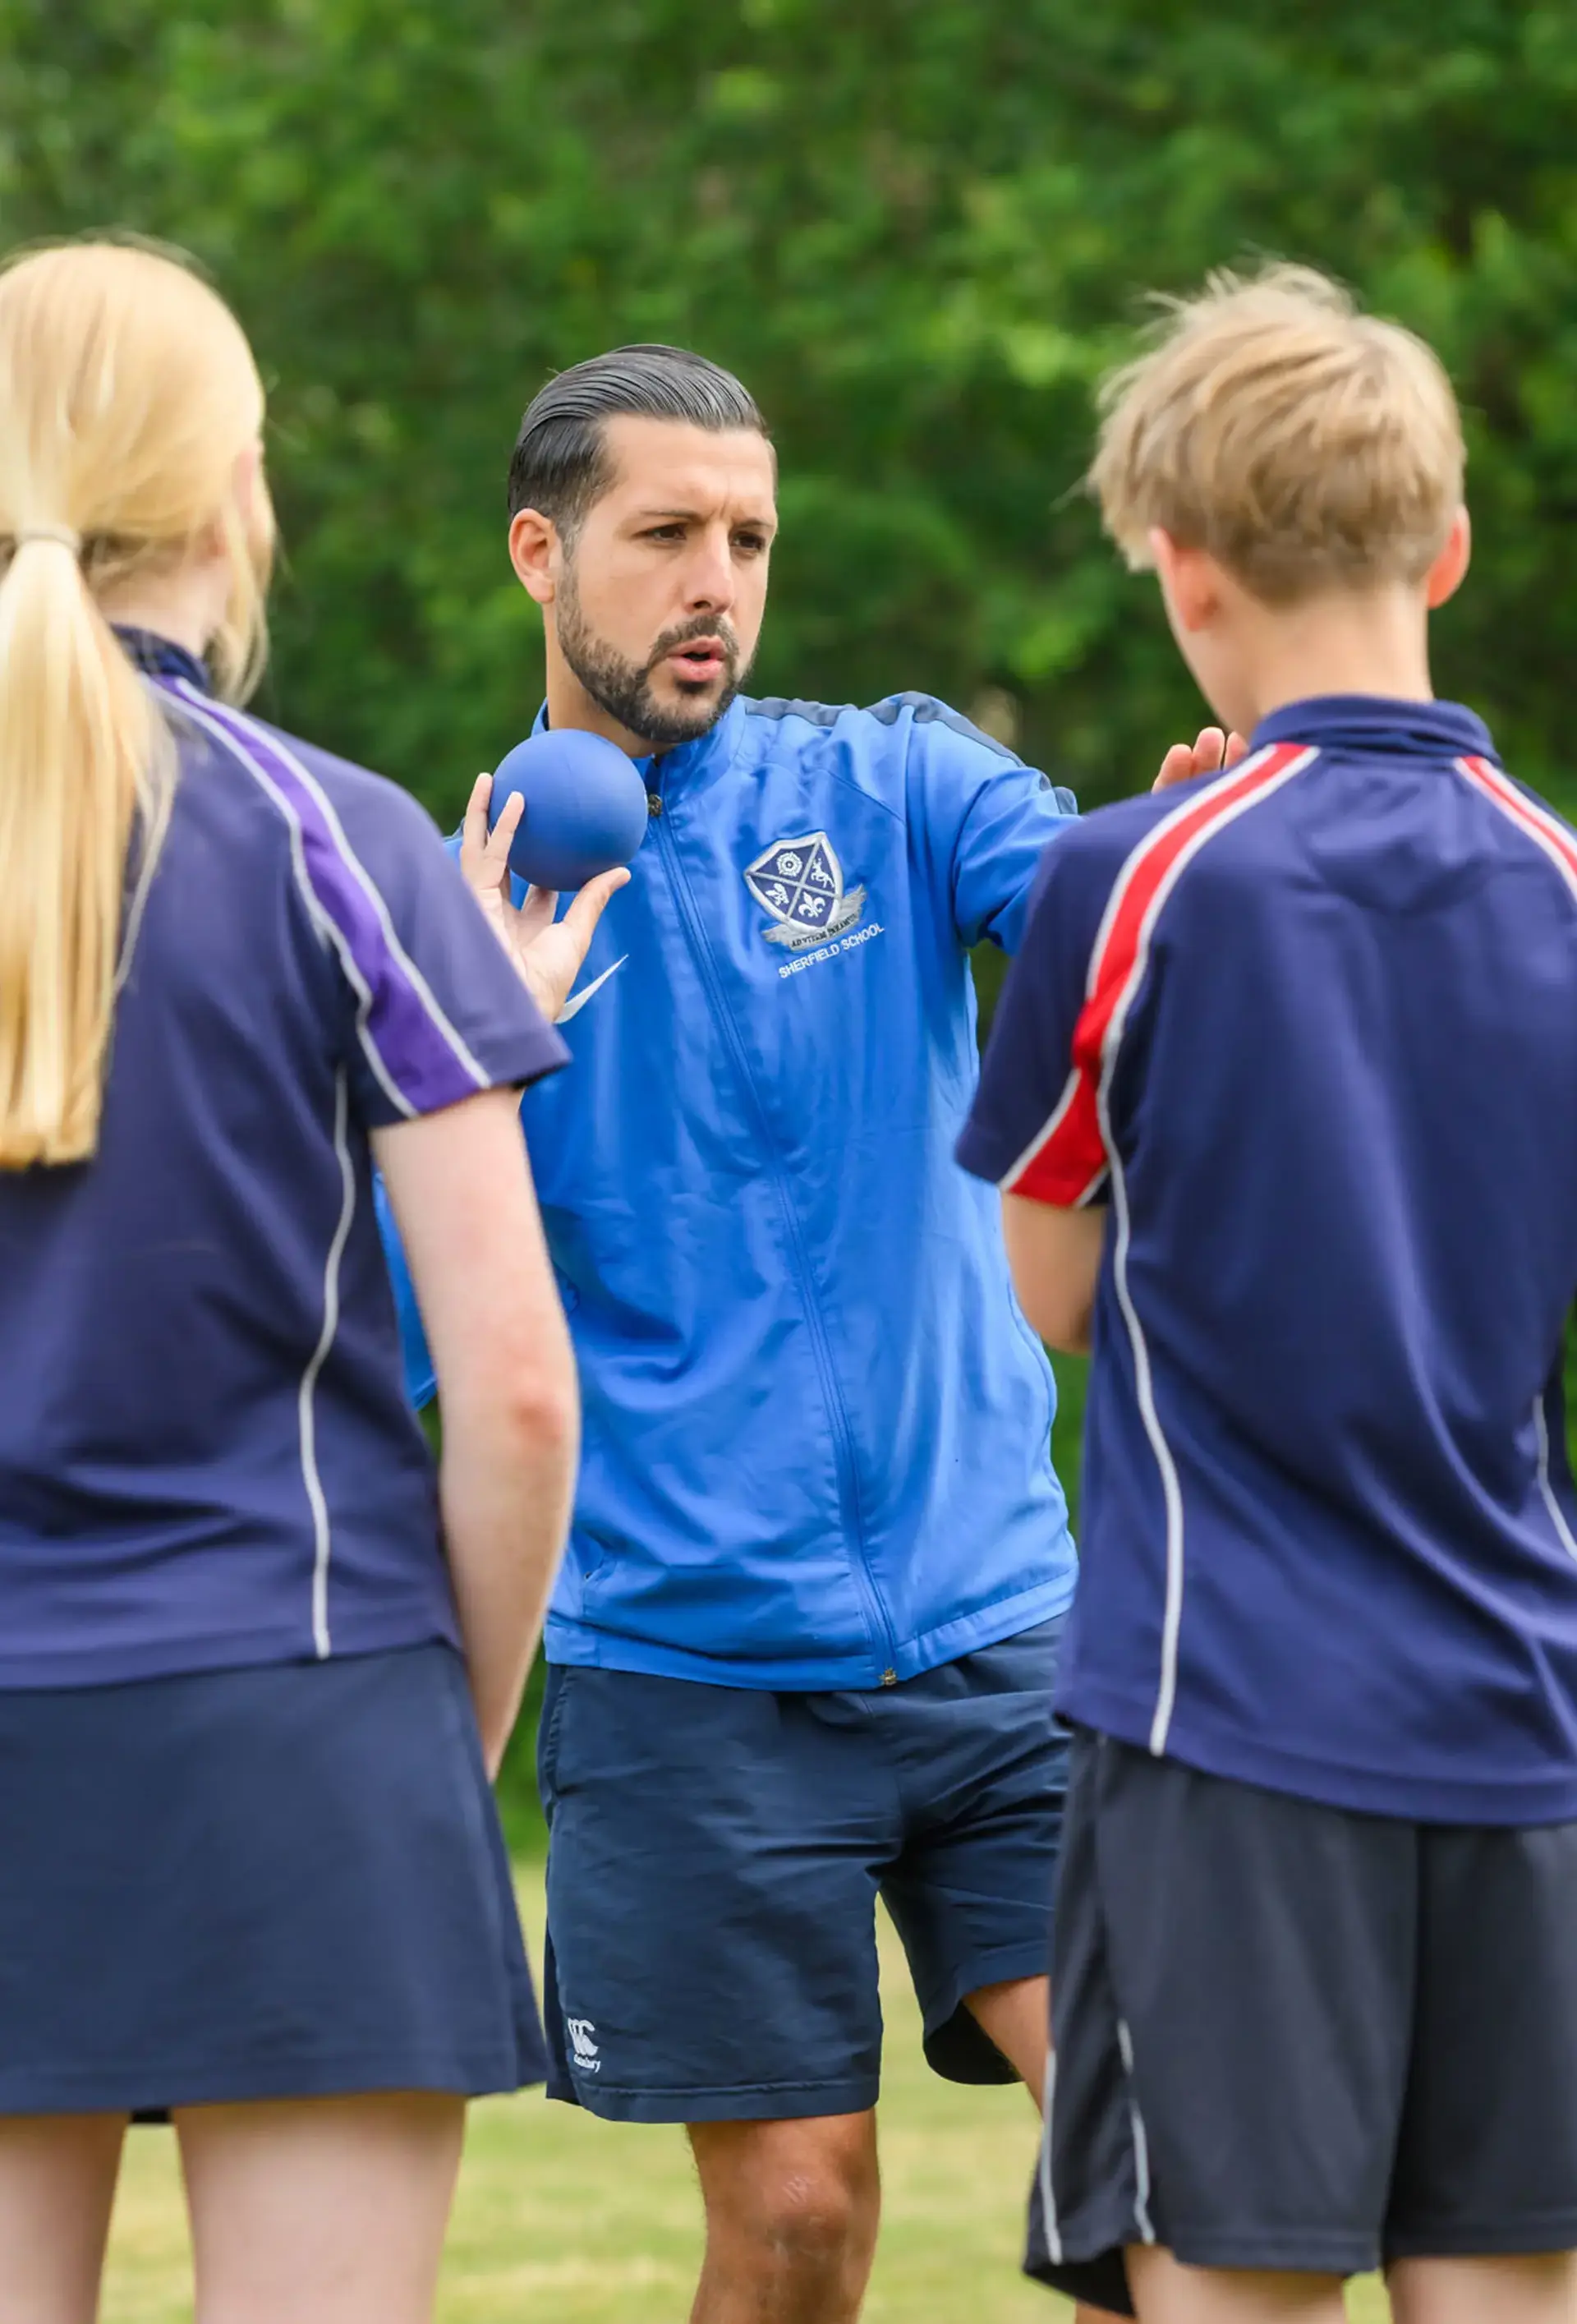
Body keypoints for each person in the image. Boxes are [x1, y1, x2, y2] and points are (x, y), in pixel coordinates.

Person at [383, 341, 1226, 2324]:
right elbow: (422, 1333)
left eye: (748, 538)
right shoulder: (446, 914)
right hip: (680, 1672)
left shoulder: (901, 777)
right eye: (665, 534)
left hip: (1000, 1623)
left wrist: (1192, 859)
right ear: (540, 552)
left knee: (1172, 2158)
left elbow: (1104, 913)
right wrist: (489, 1045)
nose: (717, 583)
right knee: (796, 2222)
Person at [959, 262, 1577, 2324]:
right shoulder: (1560, 878)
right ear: (1452, 546)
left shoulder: (1124, 875)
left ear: (1181, 566)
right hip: (1521, 1712)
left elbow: (1052, 1291)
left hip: (1222, 1716)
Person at [0, 237, 594, 2324]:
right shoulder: (345, 844)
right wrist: (447, 1731)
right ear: (236, 486)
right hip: (304, 1716)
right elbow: (518, 1391)